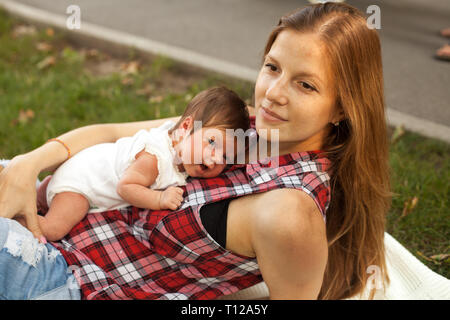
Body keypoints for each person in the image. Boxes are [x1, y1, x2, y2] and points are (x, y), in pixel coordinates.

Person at [0, 2, 391, 300]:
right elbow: (112, 132)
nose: (273, 94)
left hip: (70, 279)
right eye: (273, 68)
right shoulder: (247, 125)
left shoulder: (290, 210)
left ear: (343, 107)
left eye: (305, 85)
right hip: (57, 208)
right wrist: (25, 165)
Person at [29, 87, 249, 242]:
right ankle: (17, 219)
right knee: (54, 229)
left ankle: (39, 195)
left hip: (76, 168)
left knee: (45, 199)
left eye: (226, 157)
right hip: (78, 186)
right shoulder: (155, 159)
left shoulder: (177, 145)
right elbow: (125, 187)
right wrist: (159, 198)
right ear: (185, 128)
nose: (215, 159)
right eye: (212, 142)